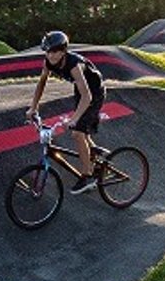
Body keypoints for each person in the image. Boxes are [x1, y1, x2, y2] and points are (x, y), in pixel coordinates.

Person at [26, 30, 105, 192]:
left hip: (94, 92)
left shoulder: (73, 64)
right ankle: (93, 151)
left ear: (63, 51)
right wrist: (34, 107)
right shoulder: (48, 62)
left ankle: (88, 176)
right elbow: (41, 84)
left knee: (77, 132)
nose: (51, 56)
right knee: (81, 131)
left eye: (55, 52)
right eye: (48, 52)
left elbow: (87, 97)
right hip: (81, 91)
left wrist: (74, 119)